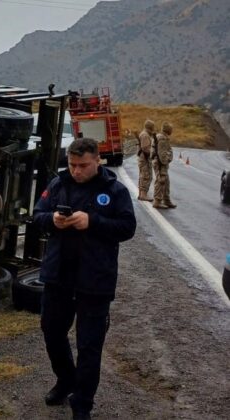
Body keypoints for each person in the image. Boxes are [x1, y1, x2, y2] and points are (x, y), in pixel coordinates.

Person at [33, 138, 136, 420]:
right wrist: (52, 219)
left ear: (97, 161)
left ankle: (82, 404)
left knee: (89, 345)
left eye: (83, 165)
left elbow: (128, 228)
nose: (76, 170)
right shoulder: (59, 184)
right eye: (72, 164)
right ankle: (65, 379)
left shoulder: (114, 191)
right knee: (52, 332)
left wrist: (93, 222)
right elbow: (37, 215)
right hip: (58, 276)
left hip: (95, 280)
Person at [152, 122, 176, 209]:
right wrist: (167, 161)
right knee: (161, 181)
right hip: (161, 164)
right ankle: (157, 201)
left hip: (160, 163)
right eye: (171, 129)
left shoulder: (162, 137)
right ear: (168, 130)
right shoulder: (162, 139)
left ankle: (166, 200)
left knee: (166, 182)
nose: (172, 130)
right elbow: (162, 155)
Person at [137, 119, 156, 201]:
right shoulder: (145, 135)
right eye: (153, 126)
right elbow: (145, 148)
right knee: (146, 176)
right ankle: (143, 195)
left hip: (143, 158)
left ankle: (141, 194)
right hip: (145, 159)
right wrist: (153, 153)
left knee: (143, 176)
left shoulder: (144, 134)